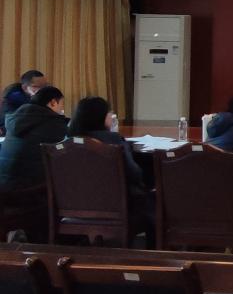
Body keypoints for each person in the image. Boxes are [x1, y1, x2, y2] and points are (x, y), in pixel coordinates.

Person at [67, 96, 154, 247]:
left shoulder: (65, 142)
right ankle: (153, 253)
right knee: (154, 201)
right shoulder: (113, 141)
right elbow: (134, 174)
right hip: (114, 206)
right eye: (109, 113)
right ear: (101, 117)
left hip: (73, 205)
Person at [0, 86, 68, 190]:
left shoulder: (16, 118)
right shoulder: (53, 123)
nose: (62, 109)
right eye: (62, 104)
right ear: (53, 102)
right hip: (29, 190)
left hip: (3, 185)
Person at [1, 70, 47, 136]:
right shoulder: (13, 98)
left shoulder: (41, 97)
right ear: (25, 88)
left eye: (44, 86)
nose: (42, 90)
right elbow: (14, 124)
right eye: (37, 87)